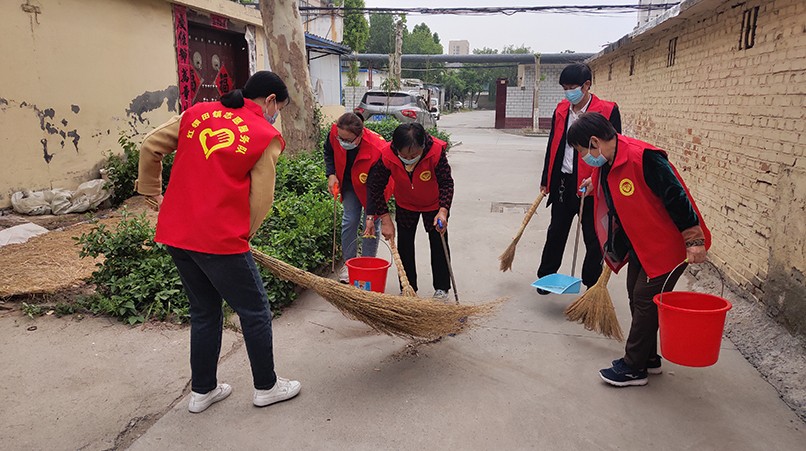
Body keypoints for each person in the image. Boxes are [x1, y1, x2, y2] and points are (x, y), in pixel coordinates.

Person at [136, 71, 301, 413]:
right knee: (255, 311)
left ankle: (203, 391)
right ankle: (267, 386)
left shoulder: (197, 113)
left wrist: (153, 193)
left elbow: (150, 146)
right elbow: (261, 199)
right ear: (271, 100)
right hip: (220, 239)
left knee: (204, 310)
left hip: (177, 234)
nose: (276, 116)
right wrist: (245, 236)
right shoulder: (265, 135)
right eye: (279, 109)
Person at [567, 112, 711, 387]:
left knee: (645, 300)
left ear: (595, 142)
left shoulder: (643, 158)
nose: (583, 157)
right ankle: (649, 357)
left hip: (667, 245)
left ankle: (634, 367)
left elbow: (677, 197)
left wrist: (694, 240)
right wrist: (593, 183)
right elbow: (611, 184)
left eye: (582, 150)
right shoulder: (608, 160)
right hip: (642, 244)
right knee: (636, 294)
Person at [536, 63, 622, 294]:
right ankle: (546, 278)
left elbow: (614, 150)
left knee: (593, 238)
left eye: (572, 87)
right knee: (556, 231)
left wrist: (597, 180)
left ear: (586, 85)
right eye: (564, 88)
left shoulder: (607, 110)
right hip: (563, 182)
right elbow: (552, 144)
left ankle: (591, 284)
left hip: (592, 185)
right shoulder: (562, 110)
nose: (568, 92)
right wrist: (546, 179)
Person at [364, 123, 454, 301]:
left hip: (433, 205)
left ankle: (442, 289)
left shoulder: (435, 151)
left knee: (439, 243)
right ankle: (408, 288)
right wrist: (385, 219)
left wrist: (443, 210)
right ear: (396, 149)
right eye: (404, 156)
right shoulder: (387, 155)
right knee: (404, 246)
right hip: (405, 204)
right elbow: (376, 187)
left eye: (413, 156)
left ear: (423, 146)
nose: (409, 159)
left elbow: (446, 183)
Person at [323, 113, 391, 283]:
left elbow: (375, 187)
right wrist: (331, 174)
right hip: (349, 184)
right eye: (340, 138)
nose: (342, 142)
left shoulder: (377, 148)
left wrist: (371, 216)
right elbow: (329, 152)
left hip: (373, 187)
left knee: (370, 226)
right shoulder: (335, 132)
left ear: (359, 135)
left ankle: (367, 264)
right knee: (349, 220)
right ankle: (350, 264)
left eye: (347, 139)